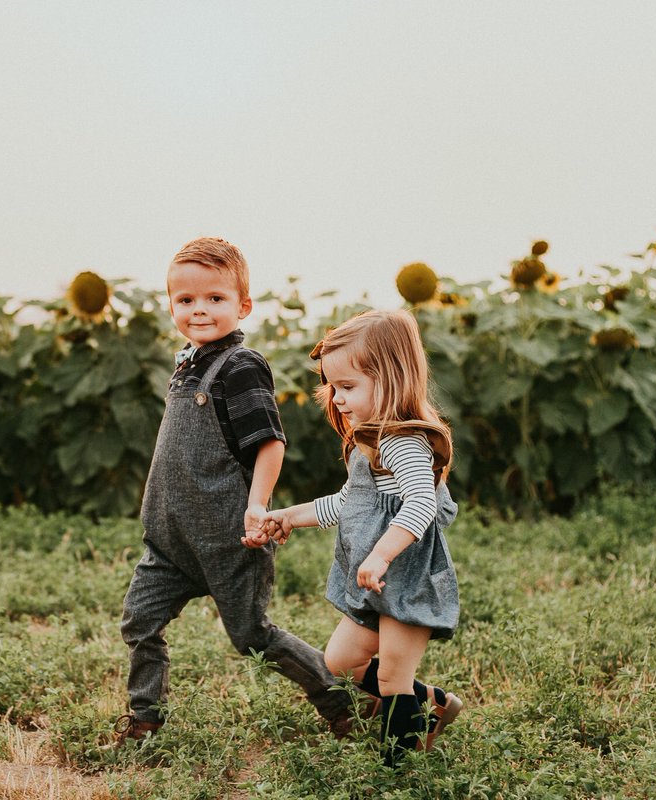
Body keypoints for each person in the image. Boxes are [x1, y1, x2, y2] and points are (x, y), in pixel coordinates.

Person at [116, 237, 358, 743]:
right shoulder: (187, 363)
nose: (198, 310)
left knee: (252, 636)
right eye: (185, 300)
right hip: (170, 540)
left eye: (215, 299)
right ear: (171, 305)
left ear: (242, 305)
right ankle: (144, 722)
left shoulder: (240, 366)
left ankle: (344, 705)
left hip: (230, 536)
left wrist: (257, 506)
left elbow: (269, 443)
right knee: (140, 621)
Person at [261, 309, 464, 766]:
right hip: (375, 583)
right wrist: (291, 516)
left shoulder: (404, 443)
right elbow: (349, 502)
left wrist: (382, 553)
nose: (336, 399)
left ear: (390, 379)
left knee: (392, 679)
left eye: (348, 387)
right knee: (338, 665)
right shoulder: (371, 441)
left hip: (406, 580)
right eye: (332, 387)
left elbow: (420, 503)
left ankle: (399, 770)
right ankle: (430, 702)